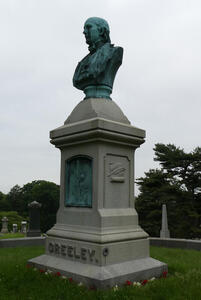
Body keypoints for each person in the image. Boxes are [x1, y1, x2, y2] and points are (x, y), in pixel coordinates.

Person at [73, 17, 123, 99]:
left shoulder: (115, 52)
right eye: (84, 29)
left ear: (101, 31)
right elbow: (76, 80)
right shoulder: (83, 61)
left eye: (88, 27)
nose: (84, 32)